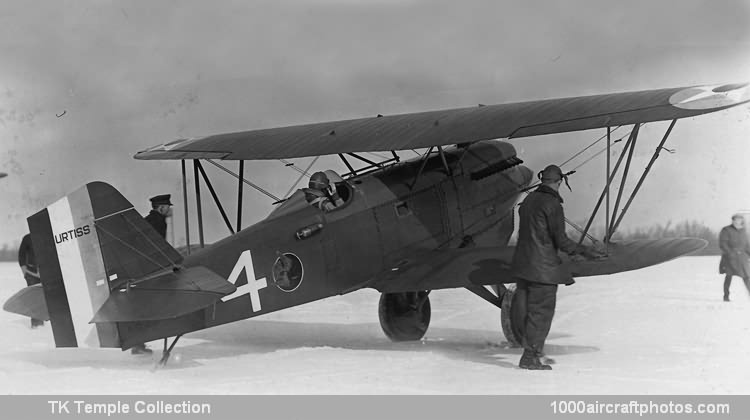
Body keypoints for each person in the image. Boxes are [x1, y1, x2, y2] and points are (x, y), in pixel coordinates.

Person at [510, 164, 604, 370]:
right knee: (540, 313)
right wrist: (585, 251)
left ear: (543, 180)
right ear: (559, 182)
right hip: (542, 270)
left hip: (522, 265)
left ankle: (529, 352)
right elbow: (561, 241)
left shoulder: (527, 201)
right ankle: (530, 357)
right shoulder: (553, 204)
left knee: (525, 310)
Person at [131, 194, 173, 355]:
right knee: (148, 305)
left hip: (143, 269)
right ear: (161, 208)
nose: (169, 210)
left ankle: (138, 344)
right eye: (167, 207)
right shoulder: (157, 222)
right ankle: (137, 344)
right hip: (150, 270)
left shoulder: (148, 220)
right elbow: (156, 247)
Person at [718, 214, 750, 302]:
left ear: (742, 221)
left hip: (742, 258)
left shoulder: (744, 231)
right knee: (729, 276)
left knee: (747, 277)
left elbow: (747, 245)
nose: (737, 221)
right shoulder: (726, 230)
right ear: (732, 220)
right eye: (735, 219)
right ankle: (726, 296)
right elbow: (723, 243)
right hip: (730, 257)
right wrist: (730, 253)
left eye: (739, 219)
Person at [18, 233, 44, 328]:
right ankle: (37, 325)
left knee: (47, 298)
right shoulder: (27, 238)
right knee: (35, 298)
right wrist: (25, 272)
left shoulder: (47, 235)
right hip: (31, 274)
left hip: (47, 273)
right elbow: (21, 255)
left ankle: (50, 327)